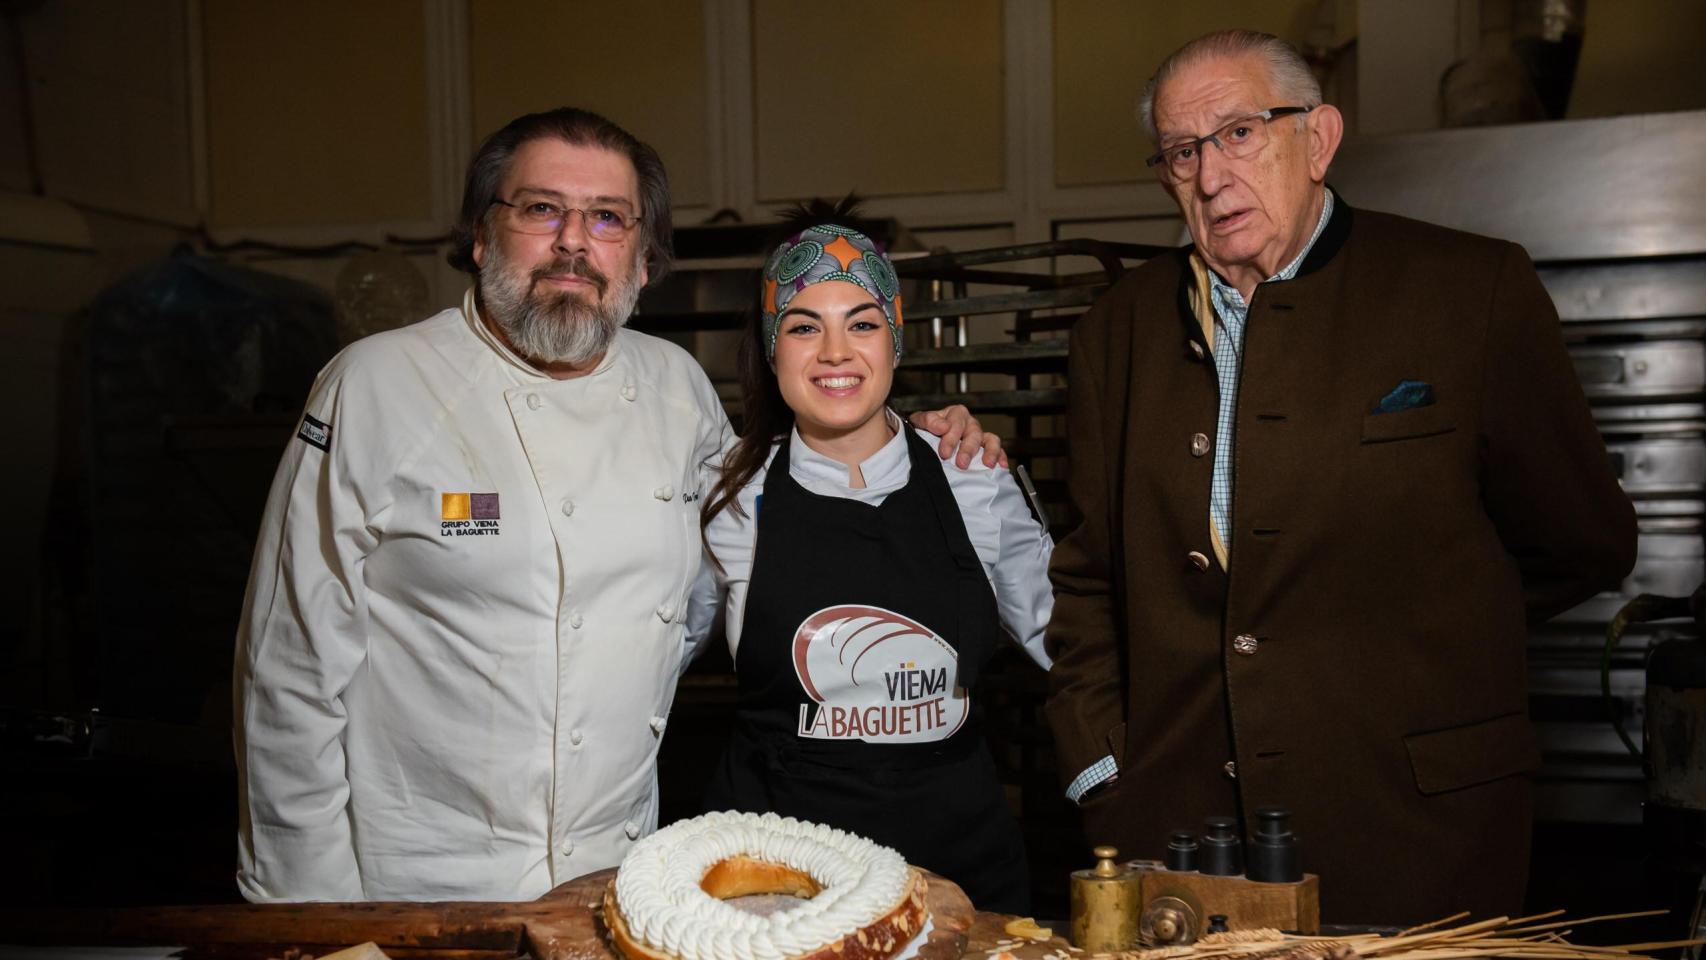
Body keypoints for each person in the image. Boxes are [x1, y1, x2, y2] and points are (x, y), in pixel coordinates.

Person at [233, 109, 1000, 903]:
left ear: (641, 259)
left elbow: (789, 514)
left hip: (620, 872)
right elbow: (287, 670)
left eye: (607, 218)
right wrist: (307, 915)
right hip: (414, 881)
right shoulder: (375, 386)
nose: (574, 240)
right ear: (479, 236)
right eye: (540, 209)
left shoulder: (676, 388)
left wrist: (923, 445)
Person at [1045, 31, 1636, 924]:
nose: (1210, 177)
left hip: (1420, 830)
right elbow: (1086, 585)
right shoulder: (1113, 336)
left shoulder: (1470, 291)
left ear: (1317, 139)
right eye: (1181, 151)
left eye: (1240, 133)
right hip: (1183, 835)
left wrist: (1421, 628)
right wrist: (1099, 769)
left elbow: (1584, 541)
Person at [695, 200, 1055, 914]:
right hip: (776, 885)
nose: (835, 352)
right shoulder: (729, 495)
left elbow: (1070, 646)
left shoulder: (972, 477)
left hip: (957, 873)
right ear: (773, 352)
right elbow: (648, 655)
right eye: (804, 327)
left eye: (862, 323)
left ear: (894, 340)